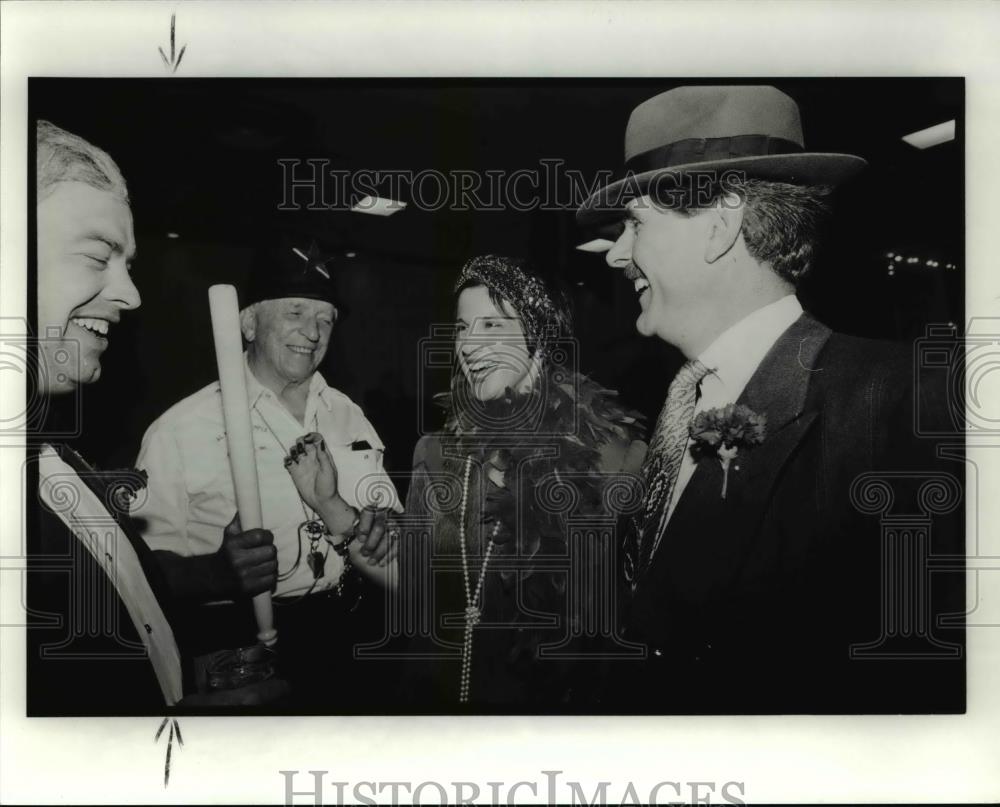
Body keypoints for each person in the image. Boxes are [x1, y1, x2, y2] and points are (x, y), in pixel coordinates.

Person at [577, 85, 964, 712]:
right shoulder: (674, 407)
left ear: (721, 225)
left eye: (636, 223)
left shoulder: (905, 402)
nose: (618, 252)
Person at [28, 120, 286, 713]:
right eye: (99, 256)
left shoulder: (52, 460)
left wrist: (214, 584)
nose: (132, 294)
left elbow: (108, 591)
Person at [132, 238, 402, 706]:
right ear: (249, 322)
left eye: (325, 318)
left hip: (357, 632)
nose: (313, 332)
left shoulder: (347, 414)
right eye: (295, 312)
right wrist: (212, 573)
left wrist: (382, 526)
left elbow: (393, 528)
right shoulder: (179, 431)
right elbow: (138, 575)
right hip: (243, 648)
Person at [389, 255, 646, 708]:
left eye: (491, 326)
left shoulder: (614, 460)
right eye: (463, 328)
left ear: (540, 335)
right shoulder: (433, 455)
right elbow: (413, 589)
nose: (468, 345)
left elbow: (623, 623)